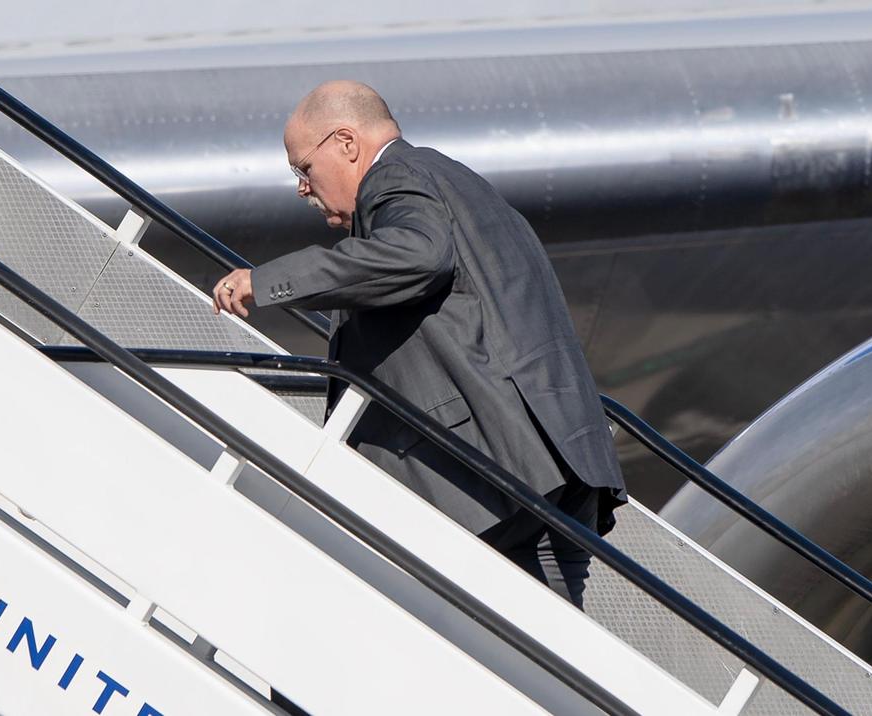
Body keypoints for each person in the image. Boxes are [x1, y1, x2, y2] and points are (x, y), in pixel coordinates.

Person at [212, 80, 625, 610]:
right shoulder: (458, 181)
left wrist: (266, 281)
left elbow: (417, 256)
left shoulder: (396, 178)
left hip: (486, 472)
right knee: (548, 666)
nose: (302, 189)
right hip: (560, 459)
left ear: (346, 143)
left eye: (303, 169)